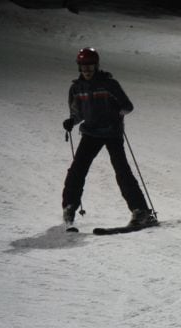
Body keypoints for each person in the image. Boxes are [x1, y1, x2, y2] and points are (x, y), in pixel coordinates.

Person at [61, 47, 156, 229]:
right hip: (90, 133)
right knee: (77, 170)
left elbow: (127, 106)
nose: (86, 70)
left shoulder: (109, 84)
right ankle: (70, 206)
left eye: (89, 66)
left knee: (122, 171)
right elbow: (77, 112)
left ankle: (141, 211)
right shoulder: (76, 88)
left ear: (96, 66)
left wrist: (116, 112)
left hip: (112, 132)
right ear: (79, 68)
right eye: (83, 66)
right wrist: (71, 121)